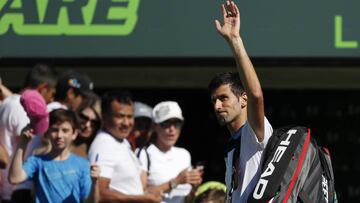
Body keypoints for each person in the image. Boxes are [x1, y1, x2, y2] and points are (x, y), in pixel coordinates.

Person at [208, 1, 273, 202]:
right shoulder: (233, 144)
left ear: (243, 99)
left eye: (223, 98)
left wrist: (235, 40)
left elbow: (256, 94)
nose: (217, 106)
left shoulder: (253, 132)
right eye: (214, 100)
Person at [8, 109, 100, 203]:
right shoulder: (37, 161)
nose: (59, 135)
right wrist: (22, 144)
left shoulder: (83, 165)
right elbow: (14, 178)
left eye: (65, 130)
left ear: (74, 134)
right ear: (47, 133)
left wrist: (95, 182)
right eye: (55, 130)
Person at [88, 90, 161, 203]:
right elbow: (100, 194)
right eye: (120, 116)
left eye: (130, 117)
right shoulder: (103, 145)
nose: (126, 123)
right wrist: (141, 199)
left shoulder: (121, 141)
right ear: (104, 117)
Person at [0, 65, 57, 203]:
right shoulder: (22, 109)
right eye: (52, 94)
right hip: (20, 191)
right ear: (43, 88)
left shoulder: (8, 103)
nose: (51, 100)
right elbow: (27, 148)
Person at [138, 101, 203, 203]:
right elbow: (139, 195)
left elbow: (187, 200)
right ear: (155, 126)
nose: (172, 129)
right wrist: (175, 182)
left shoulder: (184, 154)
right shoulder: (144, 153)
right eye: (166, 124)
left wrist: (194, 188)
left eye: (177, 124)